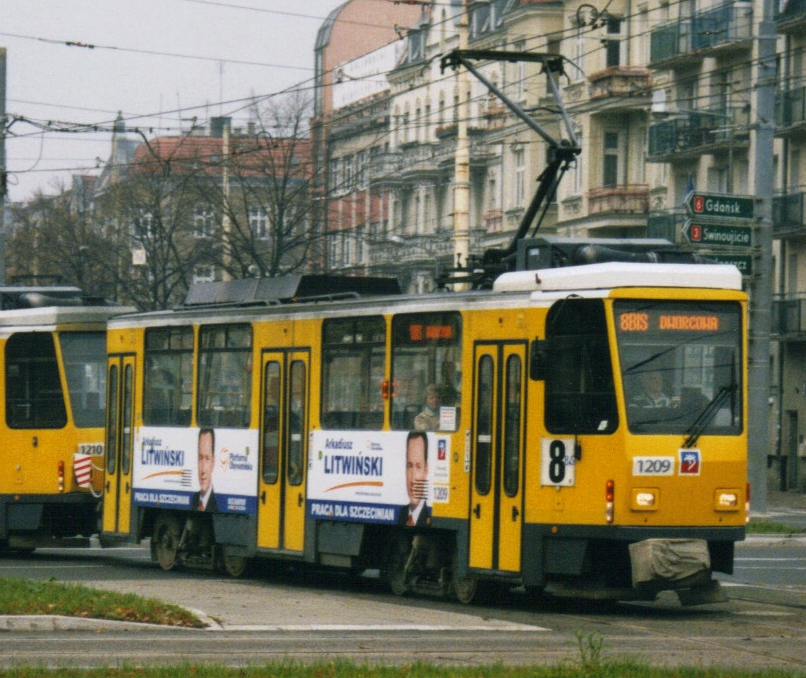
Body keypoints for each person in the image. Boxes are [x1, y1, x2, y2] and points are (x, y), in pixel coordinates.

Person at [398, 431, 431, 527]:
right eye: (409, 466)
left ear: (426, 470)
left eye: (418, 467)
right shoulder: (401, 515)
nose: (412, 479)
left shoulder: (430, 518)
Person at [191, 427, 218, 512]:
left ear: (213, 463)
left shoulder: (216, 505)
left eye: (207, 459)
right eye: (200, 458)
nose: (202, 470)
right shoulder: (193, 500)